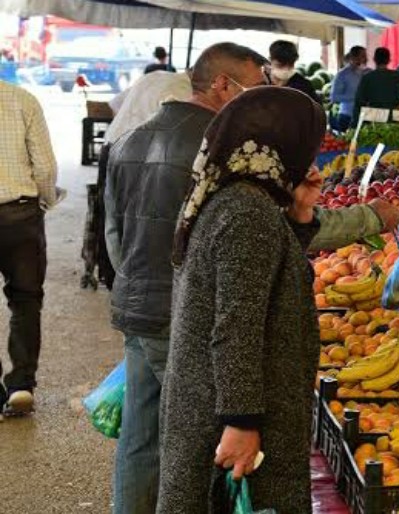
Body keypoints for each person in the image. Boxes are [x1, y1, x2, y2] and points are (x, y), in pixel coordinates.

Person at [105, 42, 269, 514]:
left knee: (140, 438)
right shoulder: (221, 148)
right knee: (190, 444)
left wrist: (135, 284)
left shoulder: (129, 140)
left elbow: (114, 237)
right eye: (254, 90)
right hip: (184, 318)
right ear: (222, 85)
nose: (259, 103)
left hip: (136, 306)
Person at [155, 87, 326, 513]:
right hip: (227, 416)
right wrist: (241, 422)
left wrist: (300, 214)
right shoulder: (249, 213)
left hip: (213, 402)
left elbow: (265, 283)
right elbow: (237, 326)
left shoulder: (235, 198)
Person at [0, 81, 57, 416]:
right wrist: (45, 201)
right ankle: (21, 384)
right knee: (26, 300)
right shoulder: (23, 99)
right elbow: (45, 166)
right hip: (20, 216)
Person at [353, 47, 399, 122]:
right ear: (389, 60)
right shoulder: (397, 76)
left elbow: (359, 102)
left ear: (374, 59)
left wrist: (355, 122)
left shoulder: (367, 78)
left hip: (374, 115)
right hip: (393, 115)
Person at [329, 46, 368, 131]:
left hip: (365, 116)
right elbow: (334, 97)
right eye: (363, 56)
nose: (366, 59)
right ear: (354, 57)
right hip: (347, 116)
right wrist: (355, 97)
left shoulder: (367, 72)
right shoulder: (343, 74)